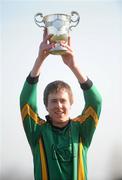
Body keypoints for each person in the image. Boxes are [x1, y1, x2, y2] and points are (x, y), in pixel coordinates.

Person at [20, 29, 102, 180]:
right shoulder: (37, 131)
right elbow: (25, 102)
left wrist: (73, 66)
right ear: (46, 106)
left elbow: (96, 101)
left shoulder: (82, 129)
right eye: (53, 101)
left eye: (63, 100)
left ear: (71, 103)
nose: (59, 105)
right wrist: (40, 60)